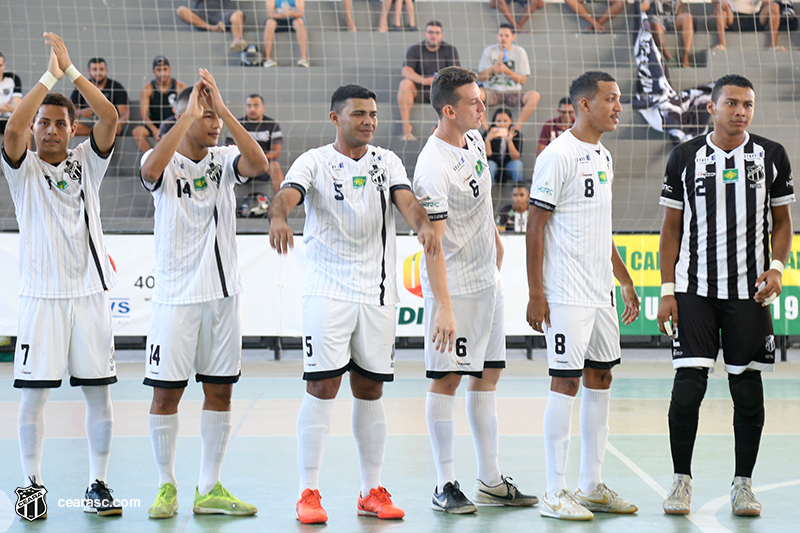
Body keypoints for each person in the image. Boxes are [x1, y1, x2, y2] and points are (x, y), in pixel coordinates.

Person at [268, 84, 438, 524]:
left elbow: (409, 203)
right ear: (335, 118)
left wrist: (422, 227)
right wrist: (278, 217)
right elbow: (287, 196)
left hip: (378, 295)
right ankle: (308, 491)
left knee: (370, 388)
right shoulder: (315, 161)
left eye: (373, 115)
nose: (368, 121)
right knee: (322, 386)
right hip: (328, 292)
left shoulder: (388, 161)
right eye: (359, 114)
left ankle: (370, 491)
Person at [657, 74, 794, 517]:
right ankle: (681, 481)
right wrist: (666, 290)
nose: (741, 112)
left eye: (748, 105)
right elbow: (671, 229)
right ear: (712, 107)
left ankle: (743, 485)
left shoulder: (771, 156)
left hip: (748, 295)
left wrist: (776, 268)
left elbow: (783, 222)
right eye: (732, 103)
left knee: (748, 392)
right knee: (687, 389)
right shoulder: (684, 157)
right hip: (694, 290)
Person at [2, 32, 122, 518]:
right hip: (40, 299)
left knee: (99, 396)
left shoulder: (86, 165)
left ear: (73, 130)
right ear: (34, 129)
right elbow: (11, 129)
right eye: (42, 123)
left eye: (59, 123)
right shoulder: (22, 168)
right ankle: (32, 487)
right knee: (33, 400)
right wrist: (49, 77)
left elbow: (111, 118)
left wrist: (72, 72)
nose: (49, 130)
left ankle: (99, 484)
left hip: (90, 296)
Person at [139, 71, 268, 519]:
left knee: (220, 393)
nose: (213, 124)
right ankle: (166, 487)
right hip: (175, 299)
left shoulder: (224, 159)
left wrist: (224, 110)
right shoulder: (162, 161)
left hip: (222, 297)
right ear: (183, 116)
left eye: (215, 117)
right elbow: (150, 170)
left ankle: (209, 487)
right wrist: (189, 112)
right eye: (205, 116)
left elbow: (259, 164)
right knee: (165, 396)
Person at [412, 66, 538, 515]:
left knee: (488, 376)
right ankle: (445, 483)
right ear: (449, 110)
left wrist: (497, 241)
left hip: (487, 280)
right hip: (457, 289)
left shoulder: (474, 141)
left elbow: (481, 201)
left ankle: (490, 480)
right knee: (446, 379)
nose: (484, 107)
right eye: (474, 102)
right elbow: (433, 245)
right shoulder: (431, 167)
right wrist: (443, 307)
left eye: (481, 99)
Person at [526, 71, 640, 521]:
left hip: (600, 292)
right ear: (584, 105)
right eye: (610, 100)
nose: (617, 107)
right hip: (566, 293)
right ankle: (555, 491)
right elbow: (535, 226)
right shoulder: (557, 155)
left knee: (601, 380)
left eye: (619, 100)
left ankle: (590, 486)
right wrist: (537, 294)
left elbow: (602, 228)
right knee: (566, 382)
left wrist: (624, 279)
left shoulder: (604, 156)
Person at [397, 21, 460, 140]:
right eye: (430, 32)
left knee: (456, 88)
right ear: (425, 34)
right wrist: (424, 80)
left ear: (442, 35)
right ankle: (406, 129)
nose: (433, 35)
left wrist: (439, 80)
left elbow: (456, 72)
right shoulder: (415, 49)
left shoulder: (450, 49)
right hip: (420, 89)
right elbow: (405, 71)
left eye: (437, 33)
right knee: (405, 84)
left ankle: (449, 133)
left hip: (441, 91)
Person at [477, 24, 540, 131]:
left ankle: (515, 129)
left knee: (534, 96)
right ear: (497, 36)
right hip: (492, 91)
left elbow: (522, 80)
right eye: (501, 35)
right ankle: (486, 129)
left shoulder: (519, 52)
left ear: (513, 37)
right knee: (476, 94)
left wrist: (506, 70)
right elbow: (481, 78)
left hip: (513, 91)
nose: (503, 38)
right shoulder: (489, 51)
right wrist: (494, 68)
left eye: (506, 35)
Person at [225, 94, 284, 194]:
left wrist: (258, 159)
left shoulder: (272, 125)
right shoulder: (236, 124)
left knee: (275, 166)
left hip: (264, 165)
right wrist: (248, 160)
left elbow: (276, 152)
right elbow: (229, 149)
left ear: (263, 108)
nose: (252, 109)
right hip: (242, 164)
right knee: (228, 167)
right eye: (249, 106)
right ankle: (224, 207)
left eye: (256, 106)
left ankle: (281, 205)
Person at [132, 56, 187, 154]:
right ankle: (150, 158)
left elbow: (186, 111)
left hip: (173, 123)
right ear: (153, 71)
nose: (162, 73)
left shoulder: (180, 86)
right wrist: (155, 130)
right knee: (137, 132)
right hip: (155, 123)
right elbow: (143, 115)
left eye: (165, 69)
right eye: (159, 70)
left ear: (169, 70)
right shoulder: (147, 88)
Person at [69, 57, 129, 137]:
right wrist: (82, 112)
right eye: (94, 69)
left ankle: (98, 134)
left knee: (115, 129)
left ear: (106, 70)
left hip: (108, 122)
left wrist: (117, 123)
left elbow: (125, 114)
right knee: (70, 126)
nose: (98, 73)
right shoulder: (82, 86)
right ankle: (97, 134)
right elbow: (70, 111)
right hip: (87, 122)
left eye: (101, 69)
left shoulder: (116, 87)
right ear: (89, 71)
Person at [640, 0, 694, 68]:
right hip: (655, 19)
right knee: (656, 25)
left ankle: (685, 57)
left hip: (671, 20)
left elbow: (679, 10)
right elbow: (642, 7)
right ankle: (669, 58)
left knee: (687, 17)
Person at [176, 0, 248, 52]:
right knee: (181, 10)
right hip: (201, 16)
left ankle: (236, 41)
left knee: (238, 14)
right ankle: (212, 27)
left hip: (220, 16)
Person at [713, 0, 785, 51]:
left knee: (774, 7)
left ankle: (773, 45)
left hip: (755, 17)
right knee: (720, 7)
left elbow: (768, 2)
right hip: (734, 17)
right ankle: (721, 44)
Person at [262, 0, 310, 68]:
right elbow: (269, 14)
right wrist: (283, 15)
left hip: (293, 20)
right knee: (270, 23)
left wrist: (289, 13)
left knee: (299, 22)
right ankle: (267, 59)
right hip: (278, 20)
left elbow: (300, 13)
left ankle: (304, 59)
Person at [484, 107, 524, 182]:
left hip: (509, 164)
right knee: (489, 166)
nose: (502, 124)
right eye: (499, 121)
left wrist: (509, 141)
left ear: (510, 120)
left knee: (518, 165)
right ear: (494, 121)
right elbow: (488, 155)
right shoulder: (489, 132)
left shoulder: (516, 134)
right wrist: (488, 140)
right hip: (494, 163)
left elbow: (515, 157)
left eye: (505, 121)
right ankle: (487, 192)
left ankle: (518, 191)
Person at [0, 52, 22, 134]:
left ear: (4, 65)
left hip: (8, 120)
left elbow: (17, 108)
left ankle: (27, 147)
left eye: (0, 65)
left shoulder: (13, 79)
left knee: (25, 123)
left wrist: (9, 108)